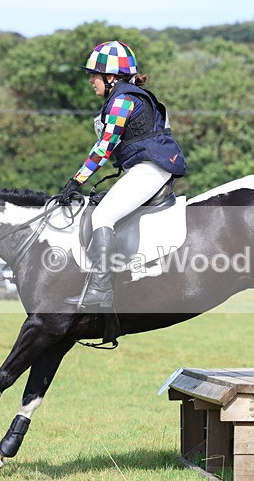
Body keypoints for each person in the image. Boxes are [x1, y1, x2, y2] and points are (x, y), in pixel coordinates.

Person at [59, 41, 186, 308]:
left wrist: (77, 180)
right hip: (147, 168)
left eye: (94, 74)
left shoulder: (122, 100)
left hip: (150, 170)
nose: (91, 80)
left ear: (111, 76)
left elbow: (106, 146)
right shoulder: (124, 97)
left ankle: (101, 289)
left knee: (104, 215)